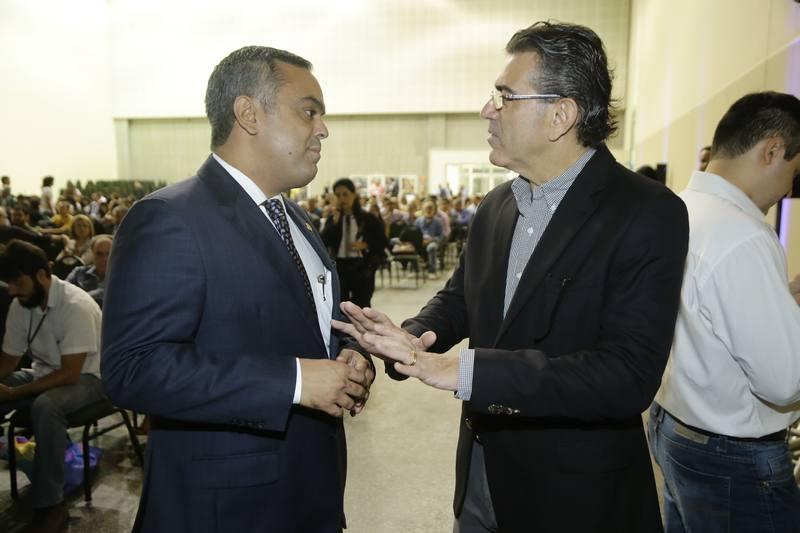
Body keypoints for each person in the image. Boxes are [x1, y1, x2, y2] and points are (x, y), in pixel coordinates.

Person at [333, 21, 689, 532]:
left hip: (572, 495)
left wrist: (466, 371)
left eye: (505, 96)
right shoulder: (499, 204)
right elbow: (462, 296)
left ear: (560, 115)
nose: (487, 110)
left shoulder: (646, 213)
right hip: (481, 473)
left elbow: (626, 375)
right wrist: (412, 337)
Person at [101, 46, 374, 533]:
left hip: (310, 489)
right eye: (308, 112)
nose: (323, 129)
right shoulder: (171, 218)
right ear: (248, 113)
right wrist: (294, 382)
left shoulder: (295, 218)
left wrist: (351, 355)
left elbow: (308, 328)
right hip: (227, 508)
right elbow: (134, 368)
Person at [648, 92, 800, 533]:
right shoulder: (742, 235)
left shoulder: (678, 208)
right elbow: (784, 381)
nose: (788, 190)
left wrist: (781, 298)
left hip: (676, 428)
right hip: (732, 457)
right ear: (772, 150)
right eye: (793, 172)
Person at [0, 240, 105, 533]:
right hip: (43, 373)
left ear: (41, 275)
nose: (12, 291)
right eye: (9, 283)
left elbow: (69, 374)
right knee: (30, 395)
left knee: (46, 407)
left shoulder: (76, 305)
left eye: (18, 283)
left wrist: (12, 393)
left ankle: (51, 505)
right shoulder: (21, 304)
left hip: (91, 379)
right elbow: (8, 361)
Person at [321, 177, 387, 307]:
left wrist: (366, 244)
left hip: (362, 266)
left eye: (345, 194)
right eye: (338, 195)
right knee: (341, 304)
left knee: (362, 305)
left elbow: (382, 241)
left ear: (353, 195)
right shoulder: (333, 219)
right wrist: (334, 223)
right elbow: (323, 242)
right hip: (340, 266)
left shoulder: (368, 218)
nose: (342, 199)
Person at [66, 235, 112, 308]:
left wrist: (77, 298)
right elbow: (64, 292)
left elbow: (104, 292)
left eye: (109, 254)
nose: (104, 258)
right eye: (99, 254)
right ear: (92, 253)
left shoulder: (120, 277)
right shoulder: (78, 272)